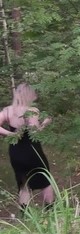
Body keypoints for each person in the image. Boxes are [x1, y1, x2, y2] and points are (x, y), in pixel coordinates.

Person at [0, 83, 53, 214]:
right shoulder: (32, 111)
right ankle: (50, 213)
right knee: (45, 181)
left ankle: (25, 216)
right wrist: (45, 124)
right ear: (28, 94)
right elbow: (34, 133)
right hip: (32, 151)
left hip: (15, 151)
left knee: (23, 184)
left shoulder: (8, 110)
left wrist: (11, 134)